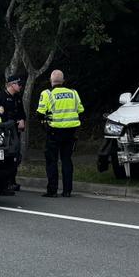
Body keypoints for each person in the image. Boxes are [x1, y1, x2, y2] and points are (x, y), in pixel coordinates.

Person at [36, 69, 84, 198]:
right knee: (66, 160)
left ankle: (52, 190)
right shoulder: (73, 93)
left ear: (51, 81)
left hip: (54, 131)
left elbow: (40, 113)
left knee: (52, 161)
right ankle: (67, 191)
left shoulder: (47, 94)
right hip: (70, 131)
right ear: (63, 81)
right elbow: (81, 110)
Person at [0, 75, 26, 192]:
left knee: (15, 156)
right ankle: (5, 183)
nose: (21, 86)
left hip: (15, 131)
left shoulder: (18, 97)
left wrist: (22, 120)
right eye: (19, 84)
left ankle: (12, 181)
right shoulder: (1, 97)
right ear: (12, 84)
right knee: (6, 157)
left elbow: (21, 111)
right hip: (5, 132)